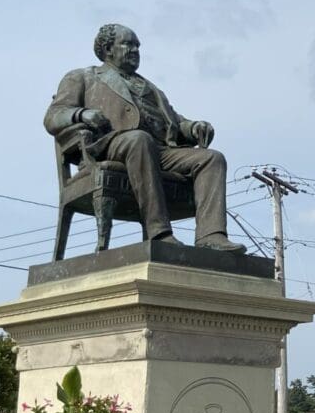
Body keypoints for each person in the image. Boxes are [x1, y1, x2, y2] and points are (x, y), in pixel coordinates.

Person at [44, 23, 245, 252]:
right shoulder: (83, 77)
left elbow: (175, 120)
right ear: (108, 49)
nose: (135, 50)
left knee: (212, 158)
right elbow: (53, 116)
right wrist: (82, 113)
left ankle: (211, 236)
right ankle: (158, 231)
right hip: (112, 144)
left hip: (160, 151)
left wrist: (192, 127)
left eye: (137, 46)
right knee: (140, 139)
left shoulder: (150, 87)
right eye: (128, 44)